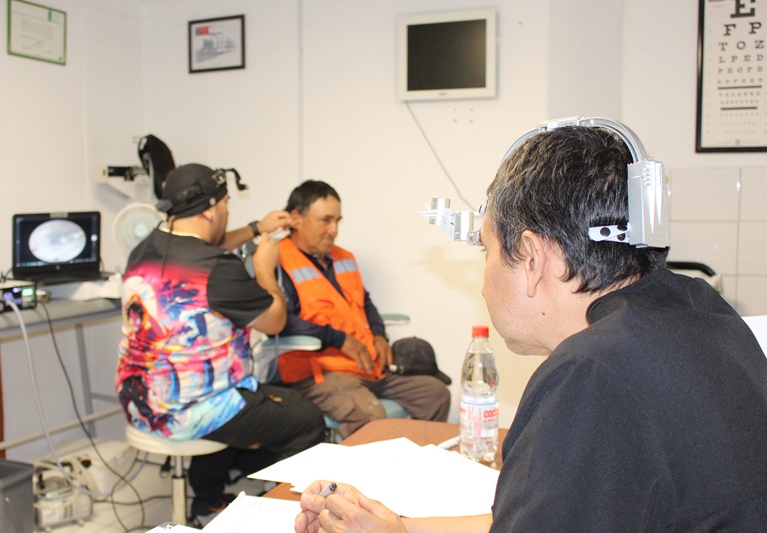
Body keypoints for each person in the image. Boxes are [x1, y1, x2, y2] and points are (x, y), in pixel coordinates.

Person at [294, 123, 767, 532]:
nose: (484, 281)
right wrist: (399, 526)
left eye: (487, 251)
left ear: (533, 258)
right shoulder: (703, 313)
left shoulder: (592, 373)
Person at [115, 163, 326, 520]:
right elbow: (274, 321)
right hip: (188, 410)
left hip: (139, 401)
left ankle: (210, 497)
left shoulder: (145, 249)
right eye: (227, 203)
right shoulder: (220, 269)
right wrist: (264, 266)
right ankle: (278, 521)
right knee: (304, 418)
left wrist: (256, 228)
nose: (228, 210)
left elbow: (203, 246)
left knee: (250, 402)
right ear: (211, 208)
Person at [276, 180, 450, 438]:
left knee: (435, 394)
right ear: (295, 219)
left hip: (366, 365)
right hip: (320, 374)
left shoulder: (343, 257)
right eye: (325, 220)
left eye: (337, 221)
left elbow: (365, 302)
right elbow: (282, 323)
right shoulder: (277, 261)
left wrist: (379, 334)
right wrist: (338, 339)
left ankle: (415, 460)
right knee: (370, 417)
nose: (334, 231)